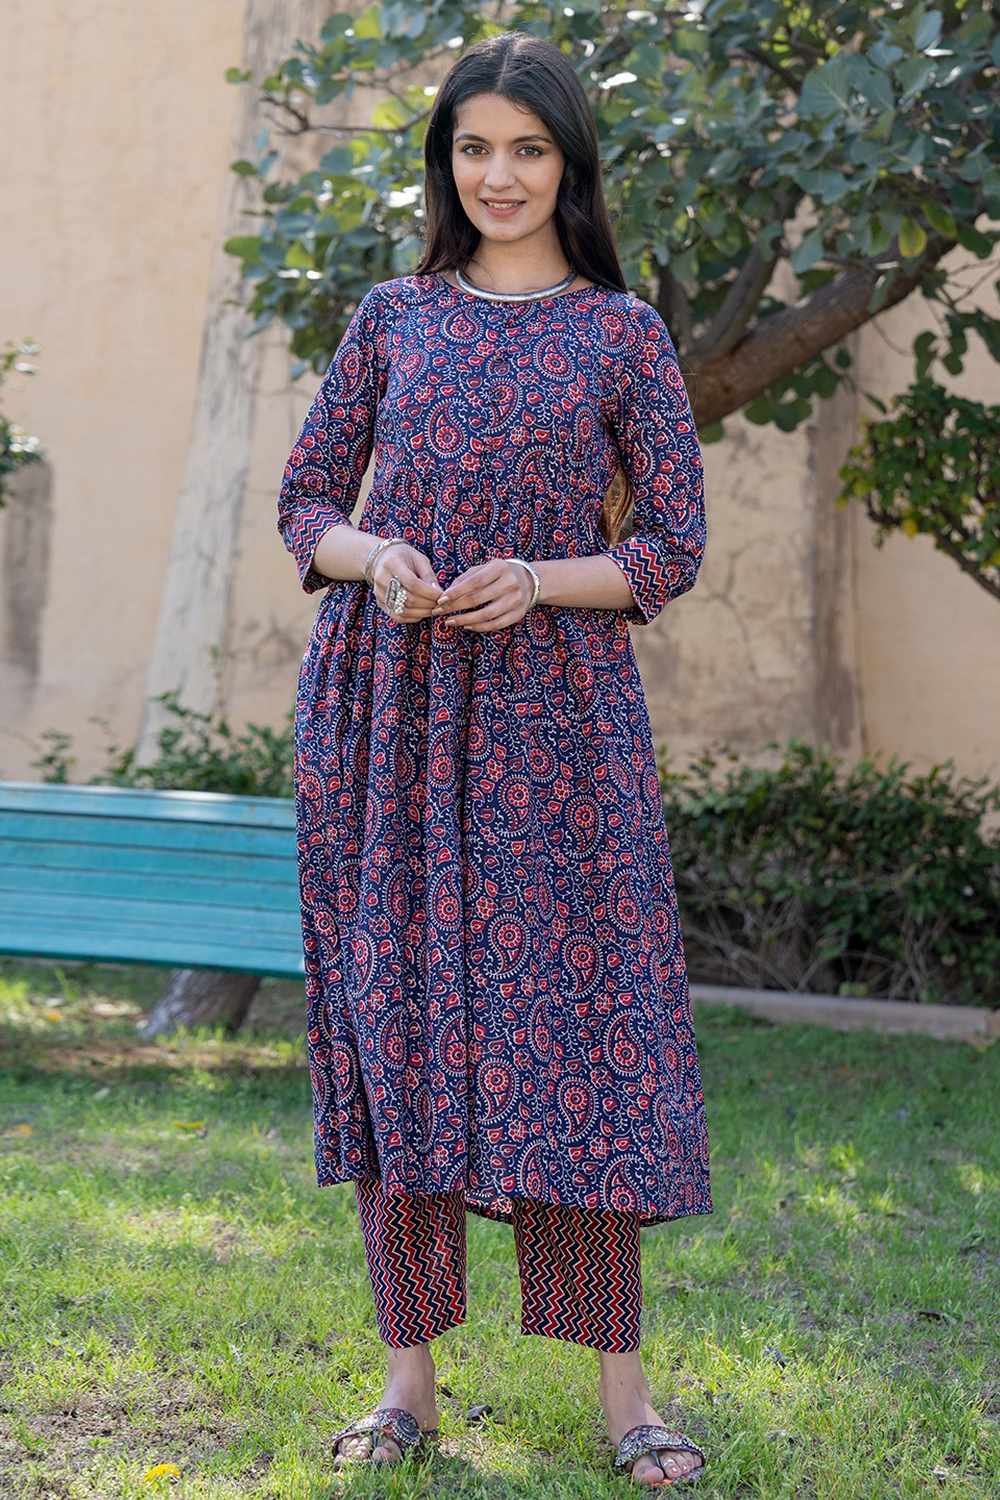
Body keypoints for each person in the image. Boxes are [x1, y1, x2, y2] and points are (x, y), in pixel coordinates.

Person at [275, 29, 712, 1491]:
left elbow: (671, 545)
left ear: (568, 162)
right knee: (397, 1031)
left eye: (528, 149)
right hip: (388, 716)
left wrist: (541, 579)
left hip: (558, 728)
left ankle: (626, 1401)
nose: (499, 175)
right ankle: (407, 1384)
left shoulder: (622, 333)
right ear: (445, 163)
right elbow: (306, 502)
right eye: (474, 148)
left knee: (577, 1040)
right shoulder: (392, 316)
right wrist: (377, 558)